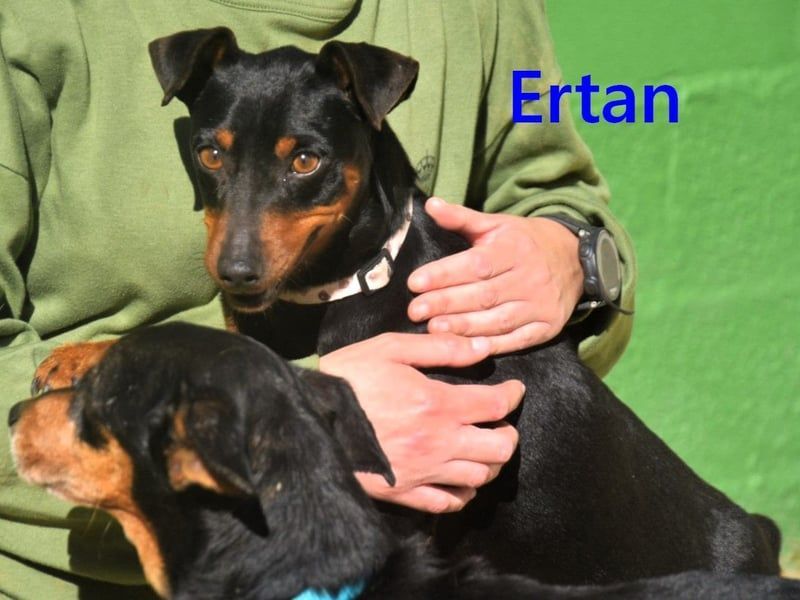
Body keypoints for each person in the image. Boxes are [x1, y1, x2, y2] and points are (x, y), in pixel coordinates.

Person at [0, 1, 635, 597]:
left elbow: (549, 188)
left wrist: (573, 253)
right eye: (213, 156)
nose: (238, 256)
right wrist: (307, 425)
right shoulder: (38, 19)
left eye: (302, 162)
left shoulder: (481, 11)